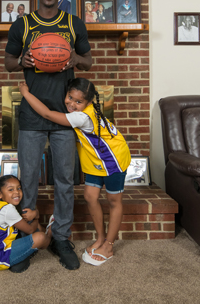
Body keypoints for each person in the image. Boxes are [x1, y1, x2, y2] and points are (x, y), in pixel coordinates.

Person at [4, 0, 92, 271]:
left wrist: (75, 59)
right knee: (27, 180)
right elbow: (7, 63)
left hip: (66, 116)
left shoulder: (73, 23)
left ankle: (62, 238)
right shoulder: (23, 24)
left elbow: (88, 59)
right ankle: (25, 238)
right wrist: (22, 61)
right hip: (31, 115)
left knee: (64, 180)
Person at [19, 77, 131, 267]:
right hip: (97, 163)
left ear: (88, 103)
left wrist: (25, 93)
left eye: (78, 102)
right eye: (69, 97)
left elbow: (46, 113)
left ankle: (109, 246)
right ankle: (100, 238)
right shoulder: (85, 111)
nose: (71, 104)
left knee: (114, 201)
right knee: (89, 196)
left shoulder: (81, 116)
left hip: (113, 162)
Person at [0, 175, 53, 273]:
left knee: (29, 225)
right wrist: (36, 215)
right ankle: (50, 234)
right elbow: (30, 229)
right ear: (0, 194)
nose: (16, 192)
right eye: (10, 190)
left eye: (18, 188)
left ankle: (40, 235)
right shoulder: (8, 209)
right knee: (41, 237)